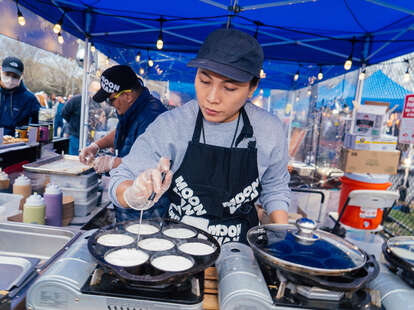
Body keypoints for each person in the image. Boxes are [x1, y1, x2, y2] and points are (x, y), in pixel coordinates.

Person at [108, 28, 291, 245]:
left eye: (230, 88)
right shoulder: (172, 125)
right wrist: (132, 194)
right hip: (178, 247)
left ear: (252, 88)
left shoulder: (269, 130)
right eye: (204, 81)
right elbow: (120, 179)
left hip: (240, 251)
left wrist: (282, 240)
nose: (212, 98)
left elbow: (275, 186)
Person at [79, 65, 167, 221]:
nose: (111, 105)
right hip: (127, 194)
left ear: (128, 96)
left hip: (146, 205)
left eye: (111, 99)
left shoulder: (153, 117)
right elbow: (121, 132)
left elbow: (153, 164)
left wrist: (112, 163)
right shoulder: (133, 108)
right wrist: (96, 146)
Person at [0, 56, 39, 136]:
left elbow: (36, 127)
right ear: (0, 70)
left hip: (16, 145)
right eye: (7, 74)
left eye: (15, 76)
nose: (10, 79)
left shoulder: (30, 99)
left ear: (21, 76)